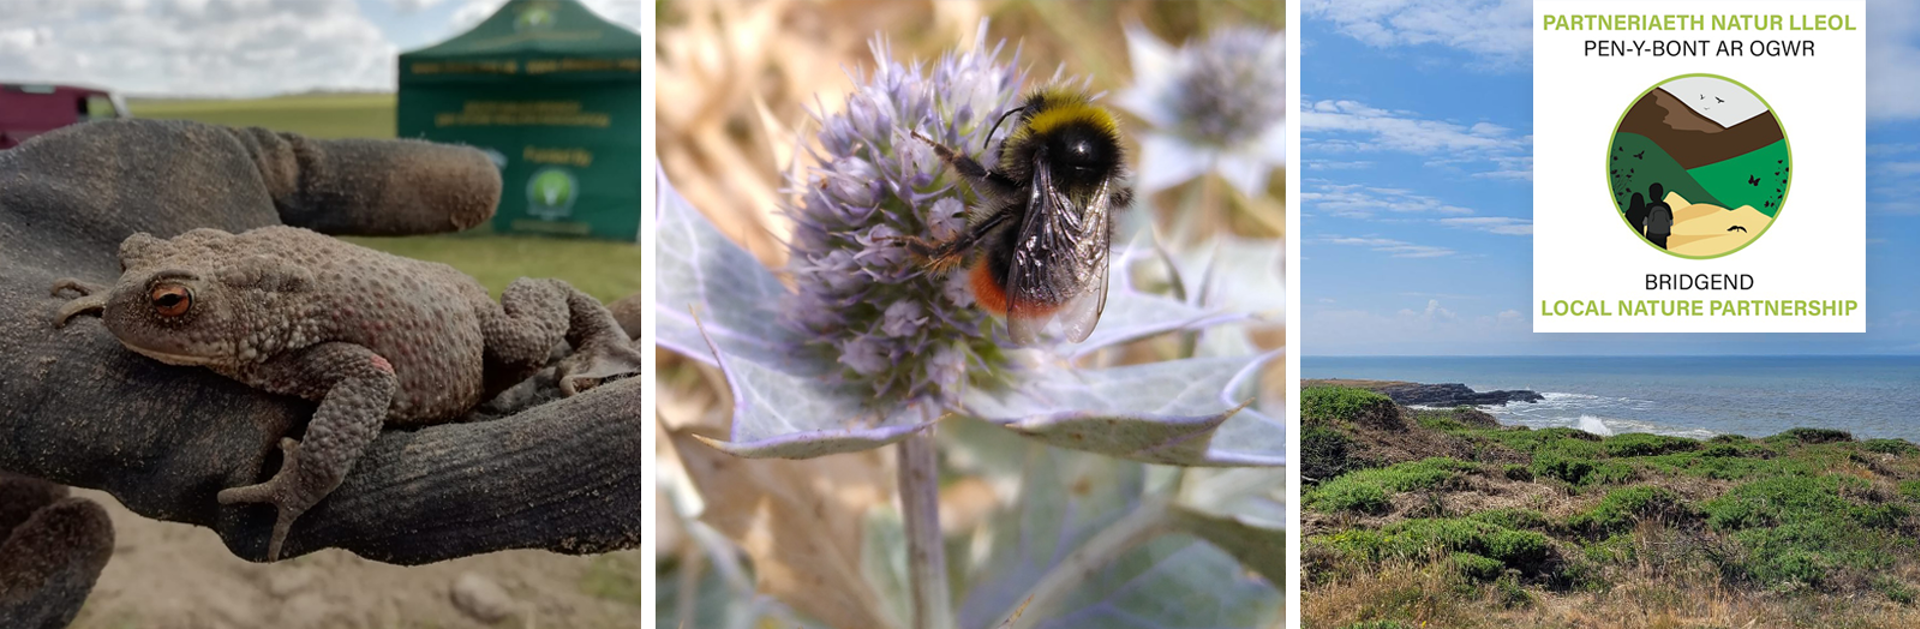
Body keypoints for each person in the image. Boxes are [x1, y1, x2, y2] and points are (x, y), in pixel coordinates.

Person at [0, 119, 642, 622]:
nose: (134, 299)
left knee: (528, 342)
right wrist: (128, 297)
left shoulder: (285, 341)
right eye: (130, 271)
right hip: (372, 285)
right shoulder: (247, 314)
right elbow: (153, 271)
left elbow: (371, 375)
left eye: (168, 305)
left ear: (217, 312)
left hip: (461, 326)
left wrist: (310, 474)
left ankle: (600, 331)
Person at [1643, 182, 1673, 249]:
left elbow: (1644, 222)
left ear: (1651, 194)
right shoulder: (1666, 206)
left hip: (1651, 234)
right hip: (1663, 234)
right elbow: (1671, 223)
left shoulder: (1649, 206)